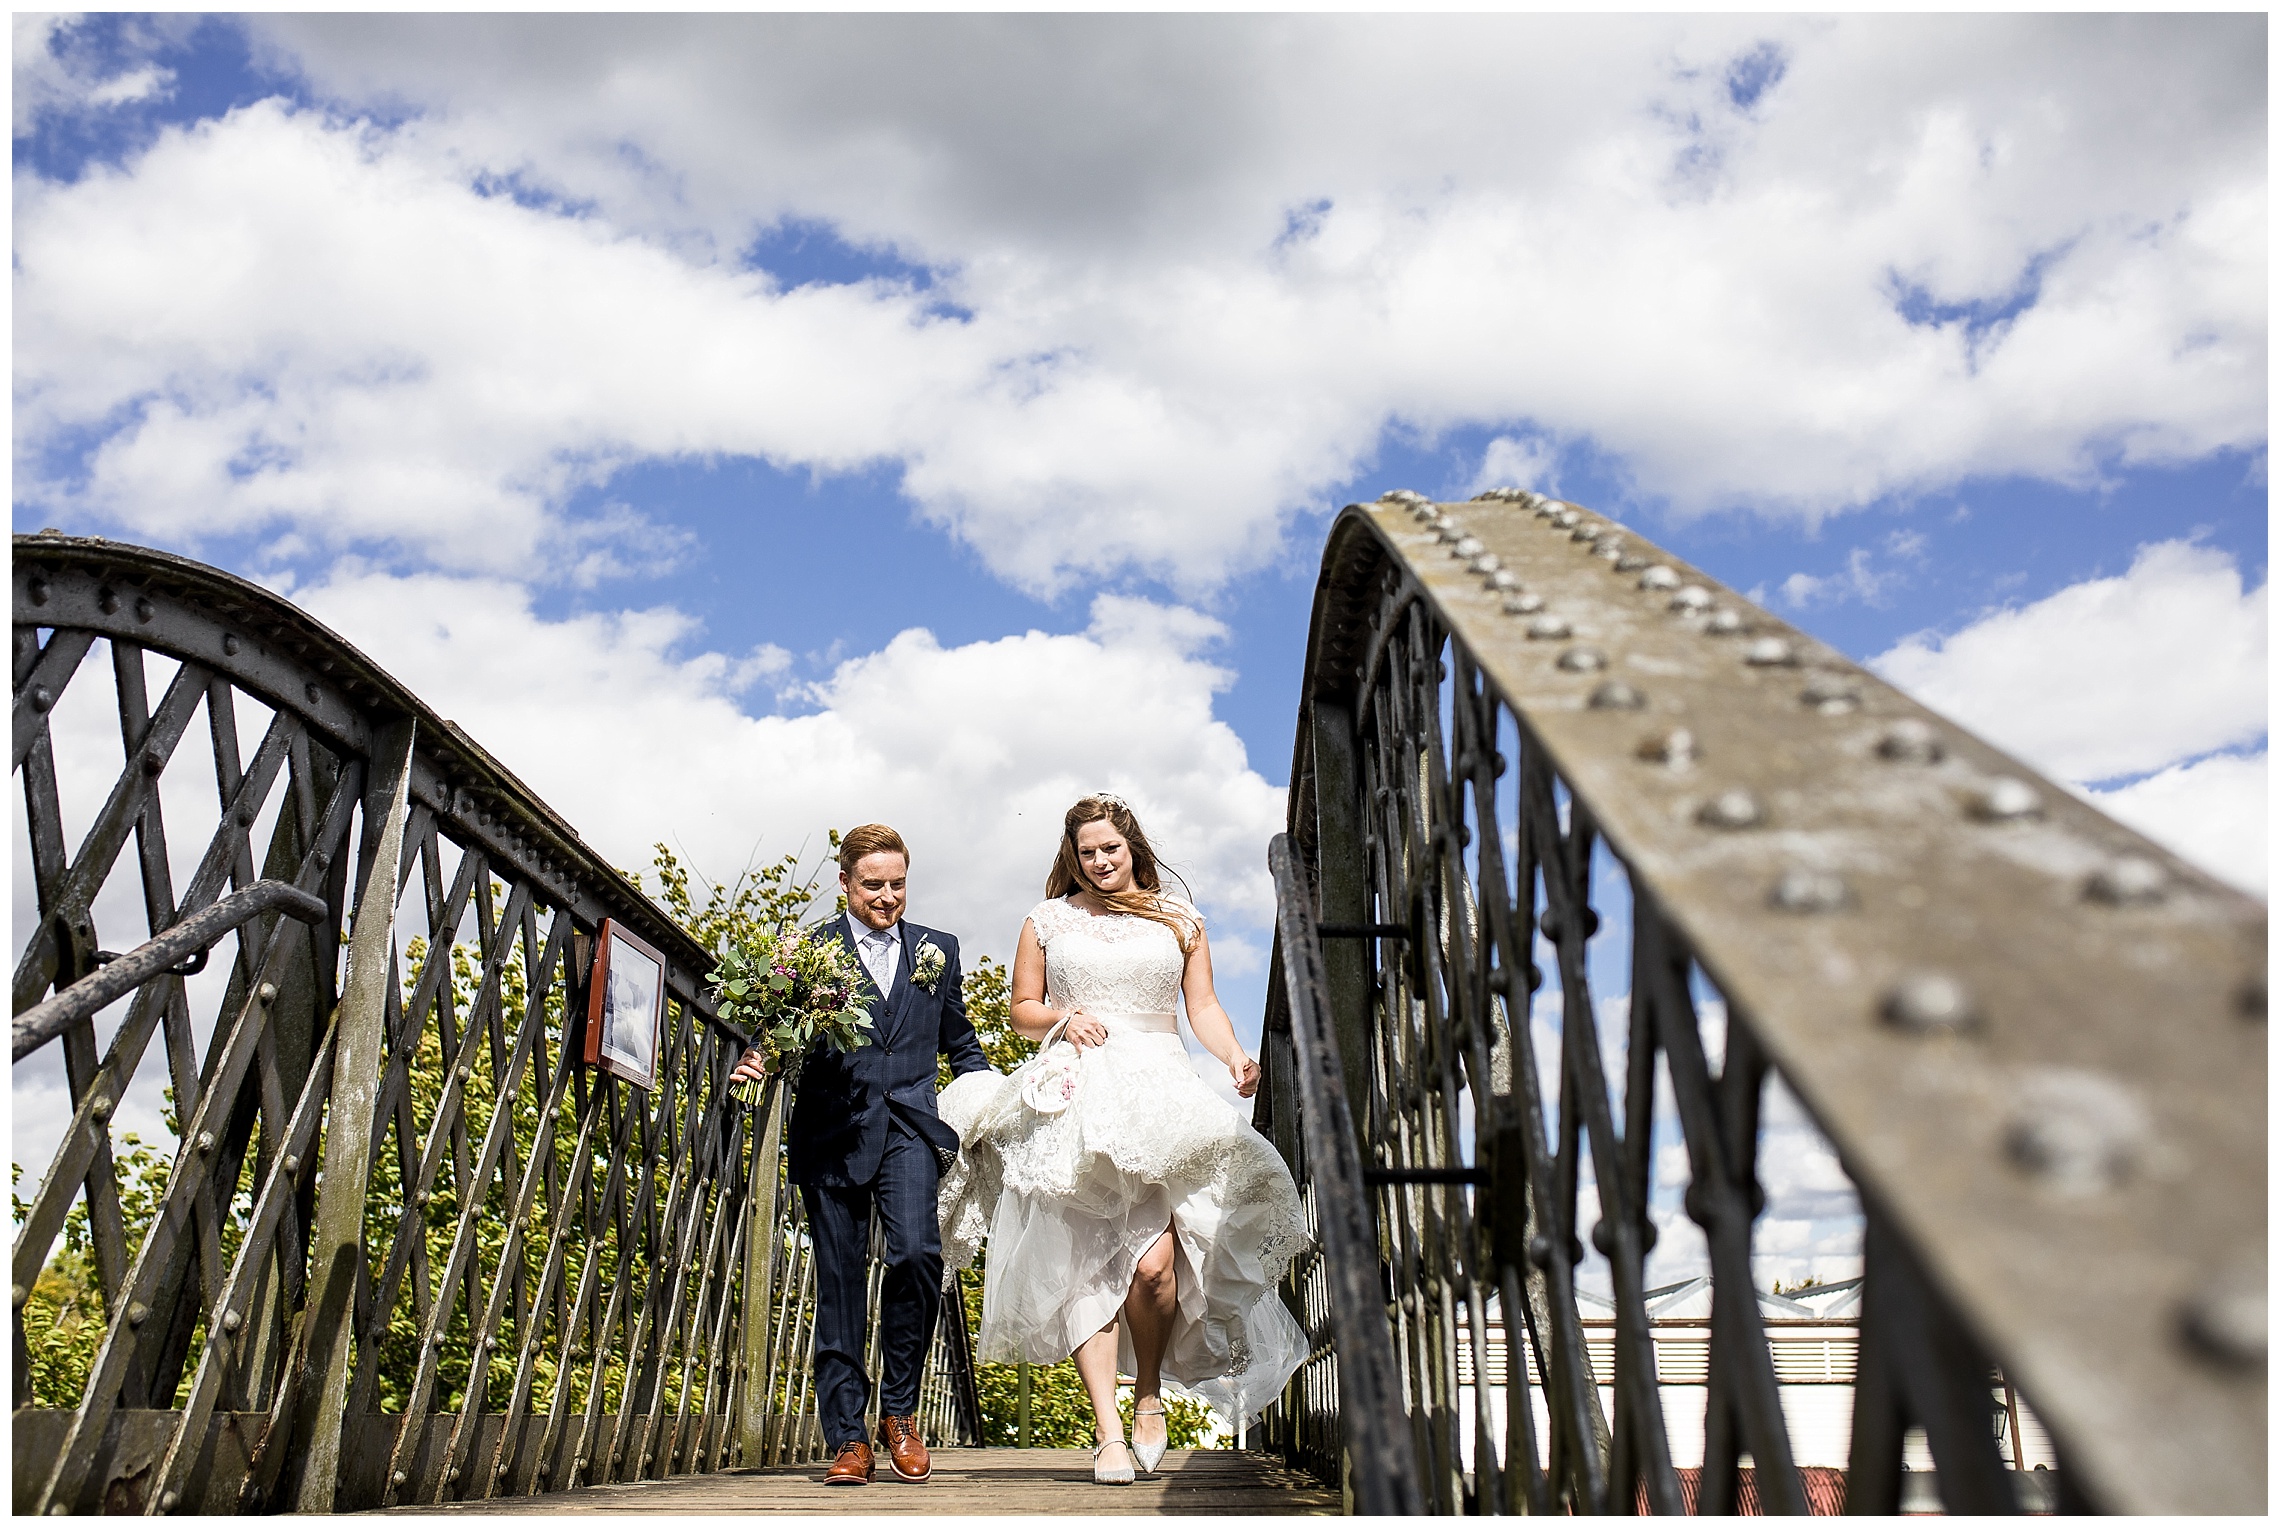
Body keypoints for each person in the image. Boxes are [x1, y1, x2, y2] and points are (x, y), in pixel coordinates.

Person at [935, 795, 1309, 1486]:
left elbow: (1201, 1006)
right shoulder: (1047, 920)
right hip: (1078, 1094)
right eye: (1087, 853)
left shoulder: (1178, 918)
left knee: (1155, 1267)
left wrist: (1232, 1056)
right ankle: (1107, 1431)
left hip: (1160, 1089)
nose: (1100, 861)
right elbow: (1023, 1009)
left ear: (1132, 845)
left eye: (1110, 848)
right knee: (1082, 1263)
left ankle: (1148, 1397)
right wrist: (1062, 1017)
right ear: (1071, 857)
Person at [727, 824, 988, 1487]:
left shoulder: (938, 950)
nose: (887, 896)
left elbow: (961, 1041)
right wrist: (758, 1055)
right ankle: (848, 1436)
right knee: (839, 1282)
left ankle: (899, 1413)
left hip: (909, 1128)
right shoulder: (812, 948)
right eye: (873, 884)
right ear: (845, 882)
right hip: (832, 1130)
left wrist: (996, 1099)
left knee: (917, 1256)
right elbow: (778, 1024)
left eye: (898, 884)